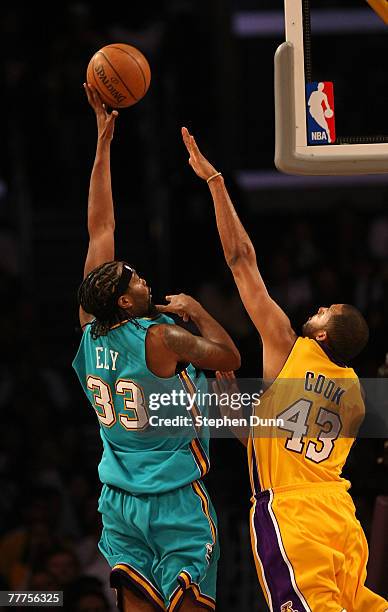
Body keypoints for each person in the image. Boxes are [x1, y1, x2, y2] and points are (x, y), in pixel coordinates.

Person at [181, 127, 388, 612]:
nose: (315, 308)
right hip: (340, 514)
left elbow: (240, 260)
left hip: (294, 514)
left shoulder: (287, 346)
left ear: (321, 336)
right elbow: (280, 442)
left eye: (324, 310)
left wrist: (214, 182)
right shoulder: (356, 394)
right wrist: (239, 417)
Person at [72, 85, 240, 612]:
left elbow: (101, 226)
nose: (145, 279)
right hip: (174, 500)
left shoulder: (88, 326)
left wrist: (103, 145)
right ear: (125, 299)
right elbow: (230, 358)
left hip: (118, 500)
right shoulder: (161, 337)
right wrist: (197, 311)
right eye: (137, 279)